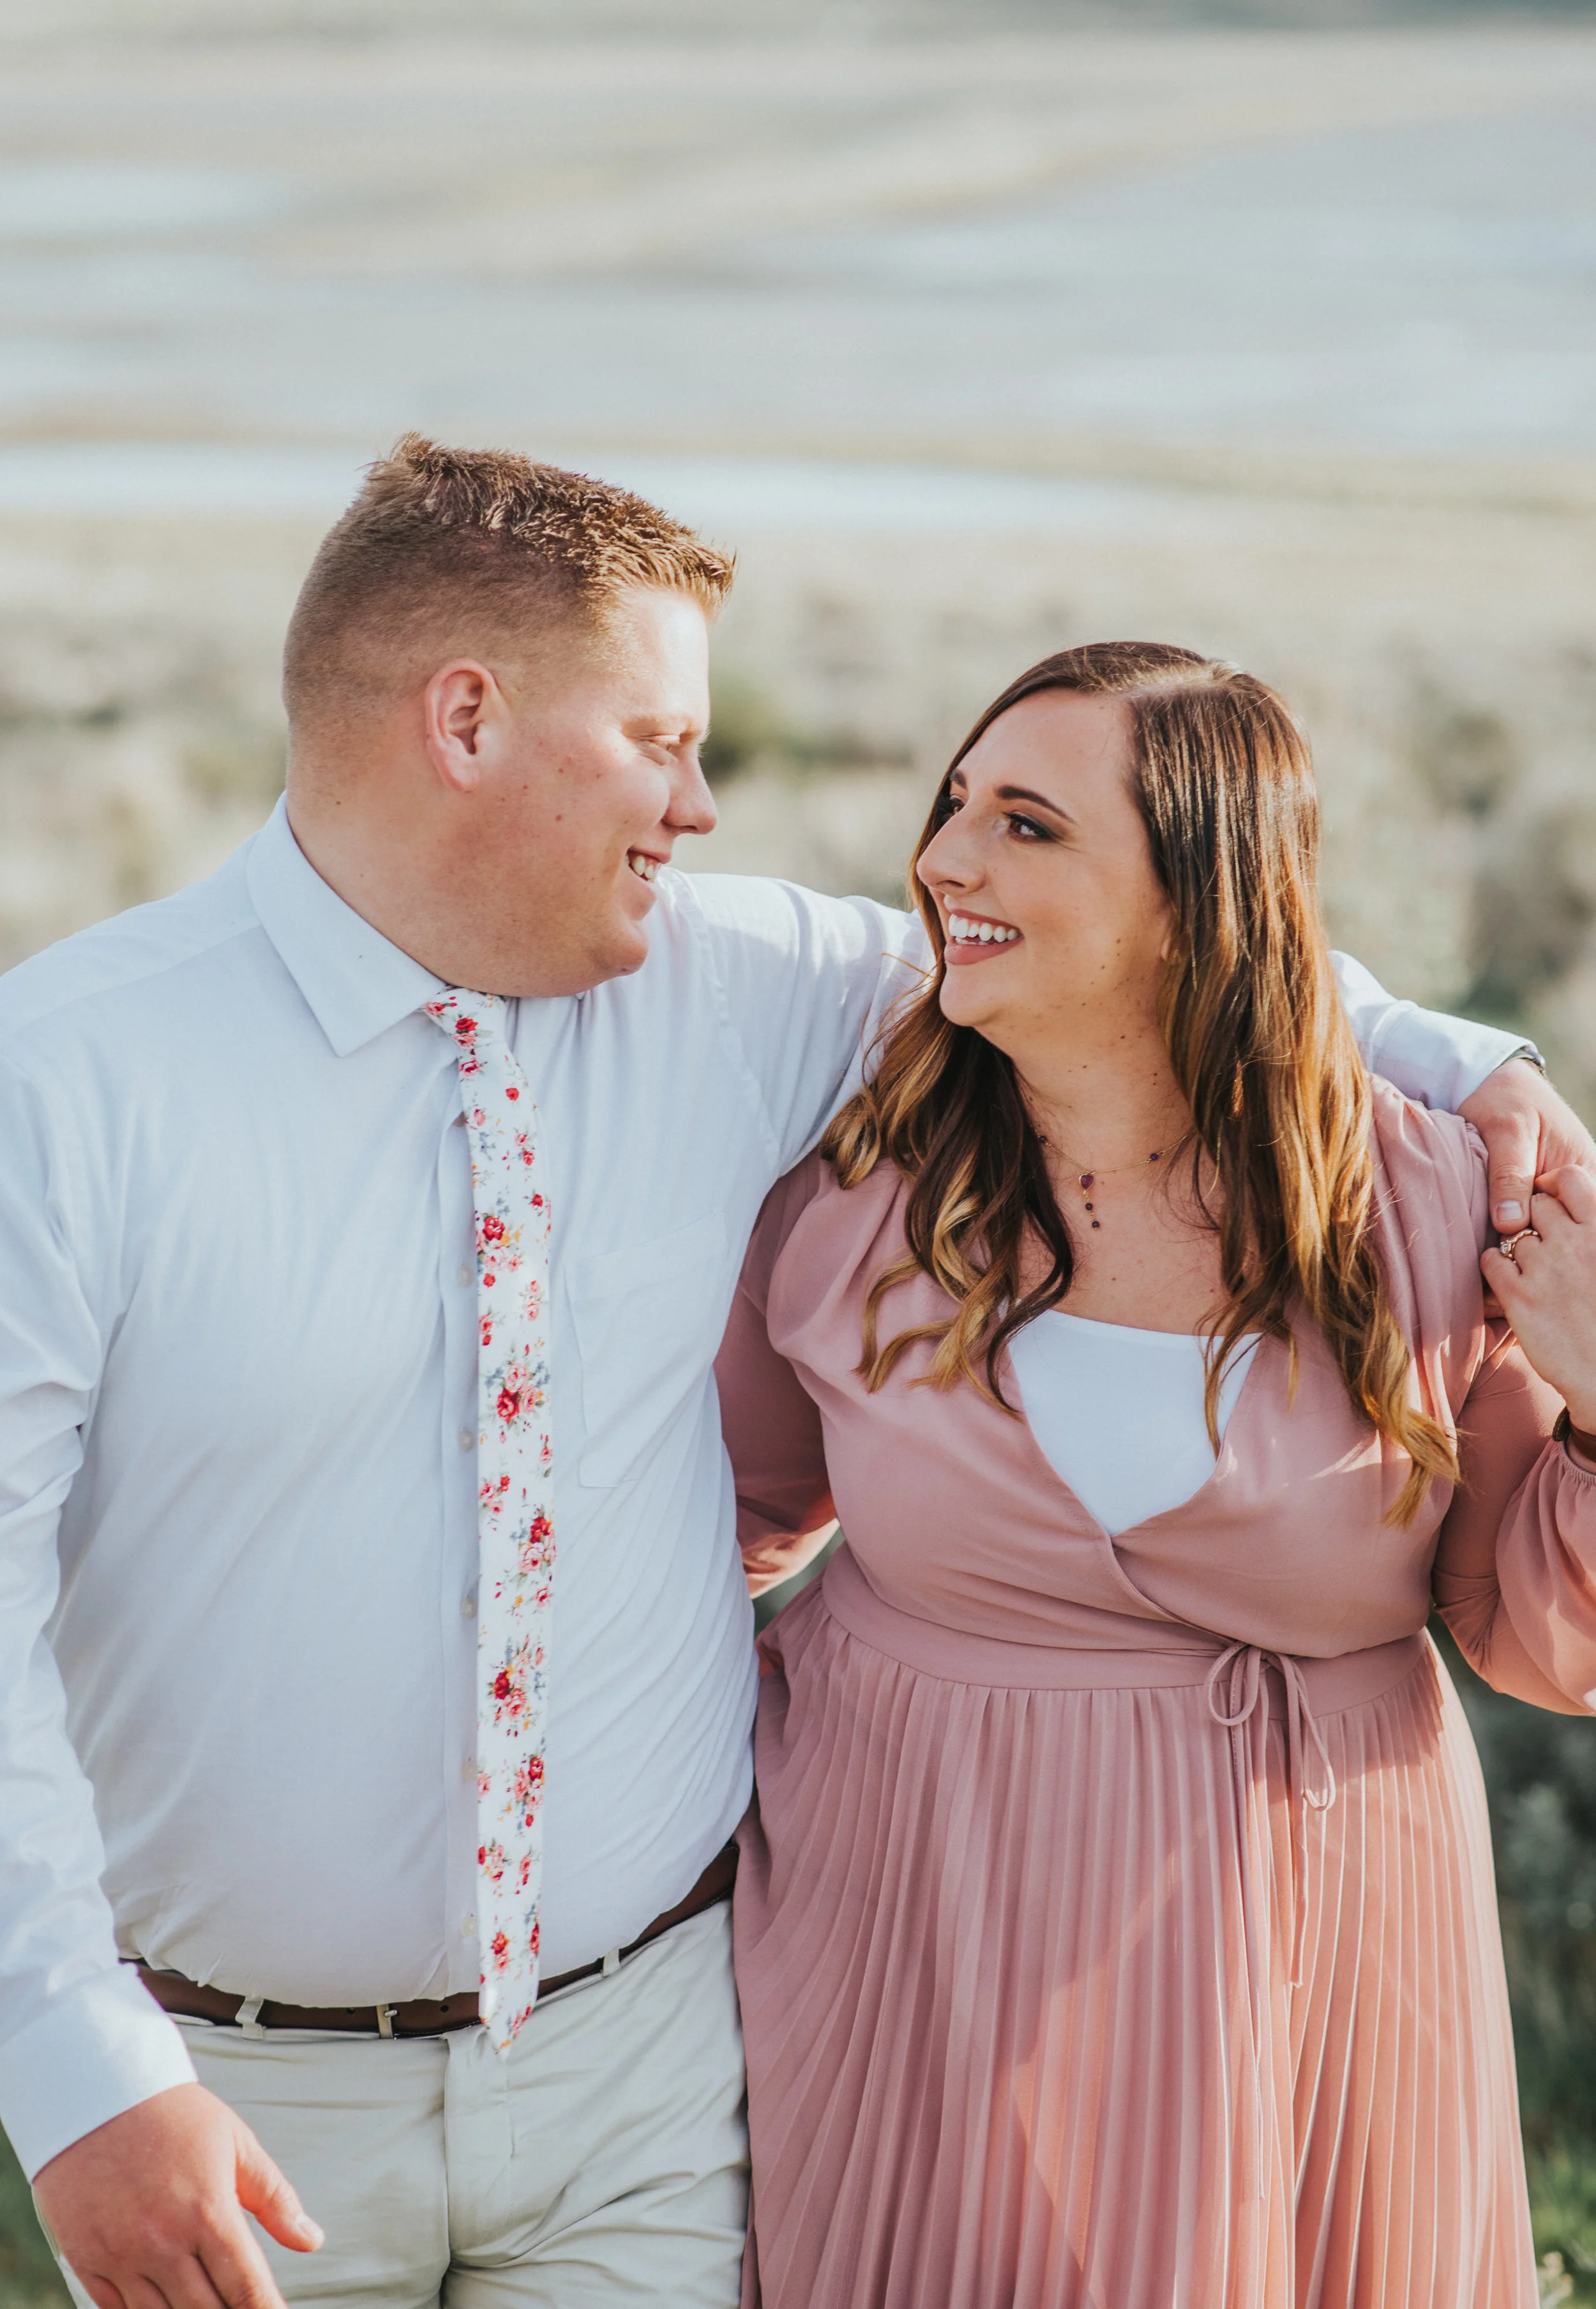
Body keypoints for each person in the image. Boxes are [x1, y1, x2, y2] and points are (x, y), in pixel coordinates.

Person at [0, 453, 1577, 2309]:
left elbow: (1171, 966)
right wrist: (74, 2071)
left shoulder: (749, 988)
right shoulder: (69, 1080)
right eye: (660, 738)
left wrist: (1469, 1061)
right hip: (241, 2101)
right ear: (466, 719)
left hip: (659, 2079)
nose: (702, 799)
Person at [717, 642, 1596, 2309]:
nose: (946, 861)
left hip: (1320, 1980)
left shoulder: (1419, 1208)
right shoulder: (854, 1200)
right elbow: (722, 1537)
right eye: (954, 804)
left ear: (1199, 906)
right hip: (914, 1969)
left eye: (1026, 826)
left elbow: (1530, 1632)